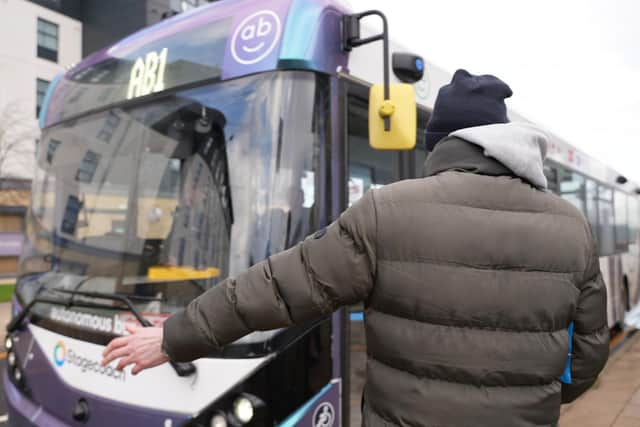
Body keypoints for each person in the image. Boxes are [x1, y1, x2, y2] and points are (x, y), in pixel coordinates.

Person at [102, 69, 609, 426]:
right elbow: (587, 352)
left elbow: (276, 287)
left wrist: (173, 338)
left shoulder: (388, 210)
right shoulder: (571, 226)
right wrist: (533, 401)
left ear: (442, 143)